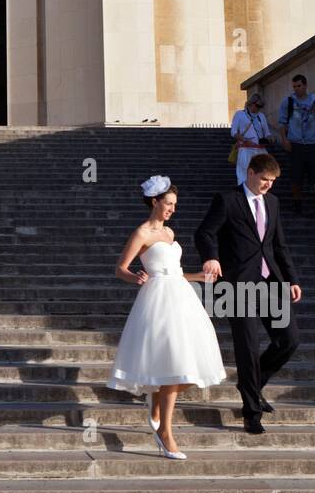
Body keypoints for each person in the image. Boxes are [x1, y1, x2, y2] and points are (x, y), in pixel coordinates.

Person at [108, 175, 226, 461]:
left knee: (191, 365)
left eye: (175, 204)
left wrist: (199, 276)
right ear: (154, 202)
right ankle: (165, 433)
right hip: (158, 299)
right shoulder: (142, 233)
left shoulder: (171, 234)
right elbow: (120, 268)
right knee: (176, 362)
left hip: (182, 296)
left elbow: (175, 271)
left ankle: (158, 403)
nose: (173, 209)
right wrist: (134, 275)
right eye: (168, 203)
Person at [195, 153, 301, 435]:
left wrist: (291, 279)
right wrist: (212, 257)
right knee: (248, 347)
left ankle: (253, 383)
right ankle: (251, 412)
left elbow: (279, 245)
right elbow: (204, 233)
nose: (268, 185)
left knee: (289, 339)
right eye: (264, 179)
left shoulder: (273, 203)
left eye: (273, 181)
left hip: (269, 283)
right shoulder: (228, 200)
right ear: (250, 172)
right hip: (237, 284)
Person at [278, 73, 315, 221]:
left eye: (299, 86)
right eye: (294, 87)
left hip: (312, 143)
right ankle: (297, 202)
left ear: (305, 85)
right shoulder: (288, 102)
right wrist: (285, 140)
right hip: (295, 144)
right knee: (296, 176)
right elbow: (282, 123)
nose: (297, 89)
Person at [229, 92, 273, 186]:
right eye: (257, 106)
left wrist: (269, 139)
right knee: (244, 176)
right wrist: (245, 140)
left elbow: (267, 132)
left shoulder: (261, 116)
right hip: (245, 149)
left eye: (260, 106)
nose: (258, 109)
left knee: (263, 174)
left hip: (260, 149)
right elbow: (233, 132)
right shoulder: (240, 114)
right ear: (251, 103)